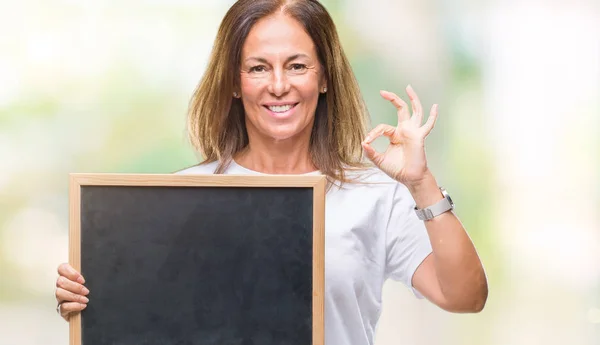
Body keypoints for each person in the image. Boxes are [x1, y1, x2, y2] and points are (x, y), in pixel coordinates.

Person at [54, 0, 488, 344]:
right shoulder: (187, 194)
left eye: (297, 65)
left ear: (323, 78)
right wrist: (90, 300)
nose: (278, 85)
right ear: (233, 83)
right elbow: (149, 319)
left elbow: (466, 297)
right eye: (258, 67)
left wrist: (421, 184)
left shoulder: (375, 193)